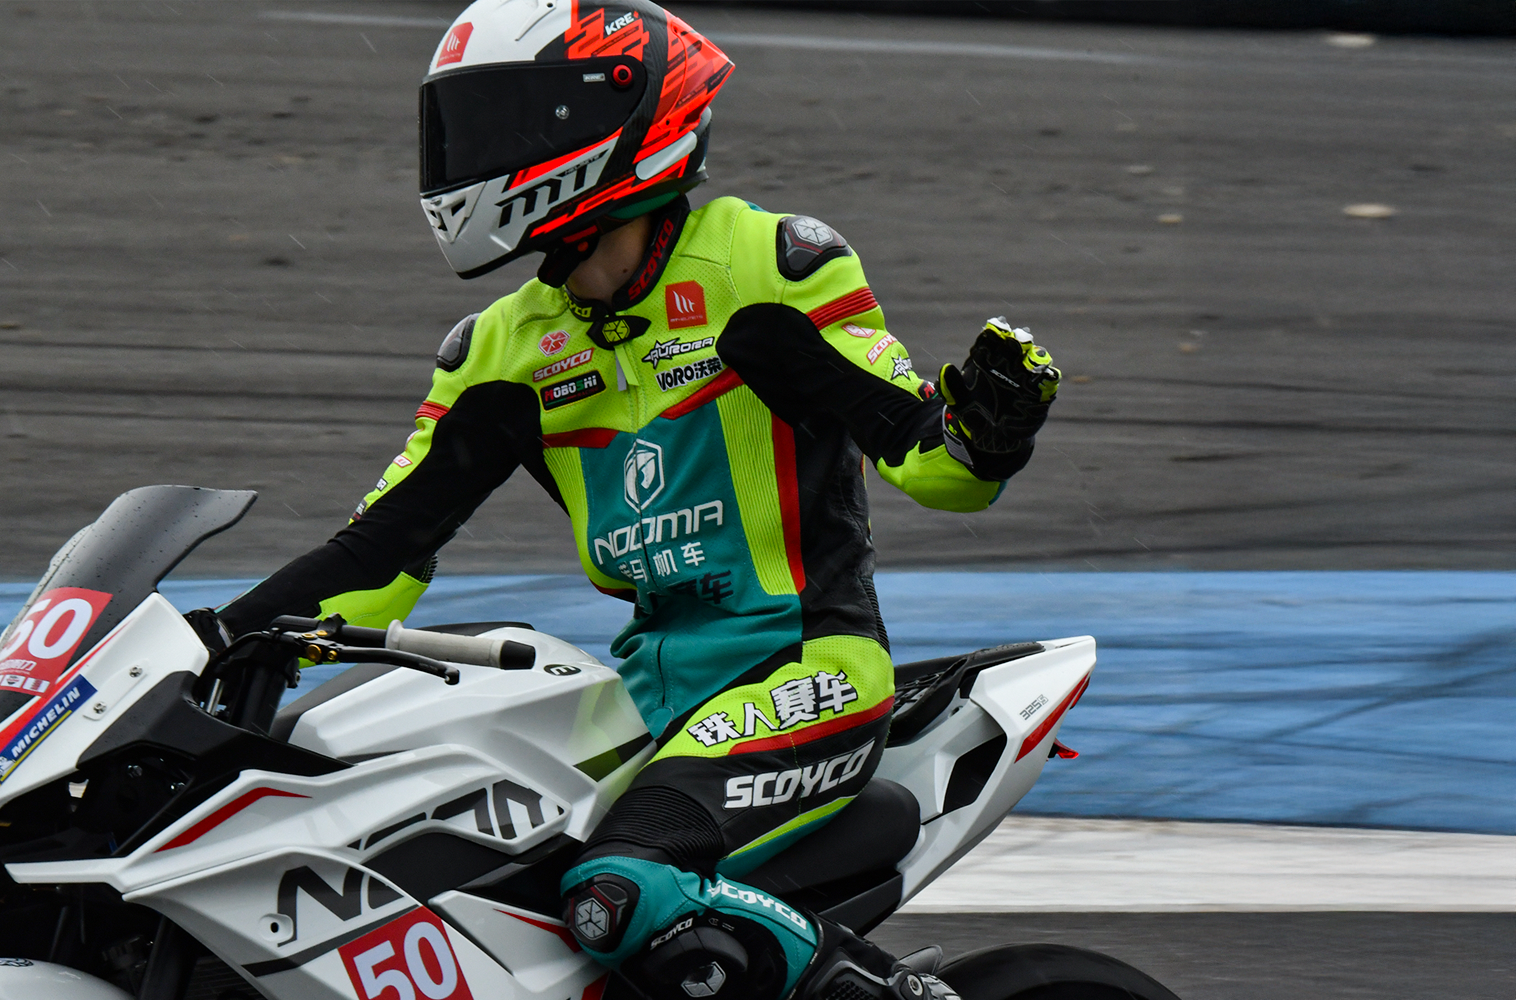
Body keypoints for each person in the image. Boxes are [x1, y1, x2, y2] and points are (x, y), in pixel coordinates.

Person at [193, 3, 1059, 999]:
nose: (472, 154)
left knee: (618, 891)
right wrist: (211, 641)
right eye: (464, 127)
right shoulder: (503, 348)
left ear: (618, 120)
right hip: (648, 697)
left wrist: (987, 436)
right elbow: (378, 554)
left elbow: (928, 462)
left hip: (806, 670)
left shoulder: (765, 269)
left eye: (507, 122)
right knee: (439, 869)